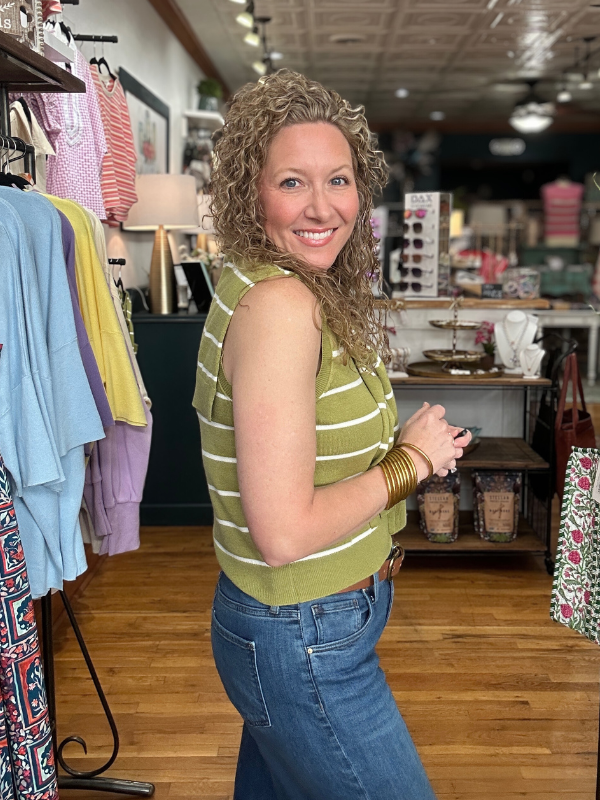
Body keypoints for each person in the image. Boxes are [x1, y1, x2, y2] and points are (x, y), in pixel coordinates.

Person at [193, 69, 470, 800]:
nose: (322, 207)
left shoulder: (274, 282)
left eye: (338, 180)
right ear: (251, 192)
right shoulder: (282, 306)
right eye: (292, 182)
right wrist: (412, 462)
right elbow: (282, 533)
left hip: (300, 628)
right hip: (305, 636)